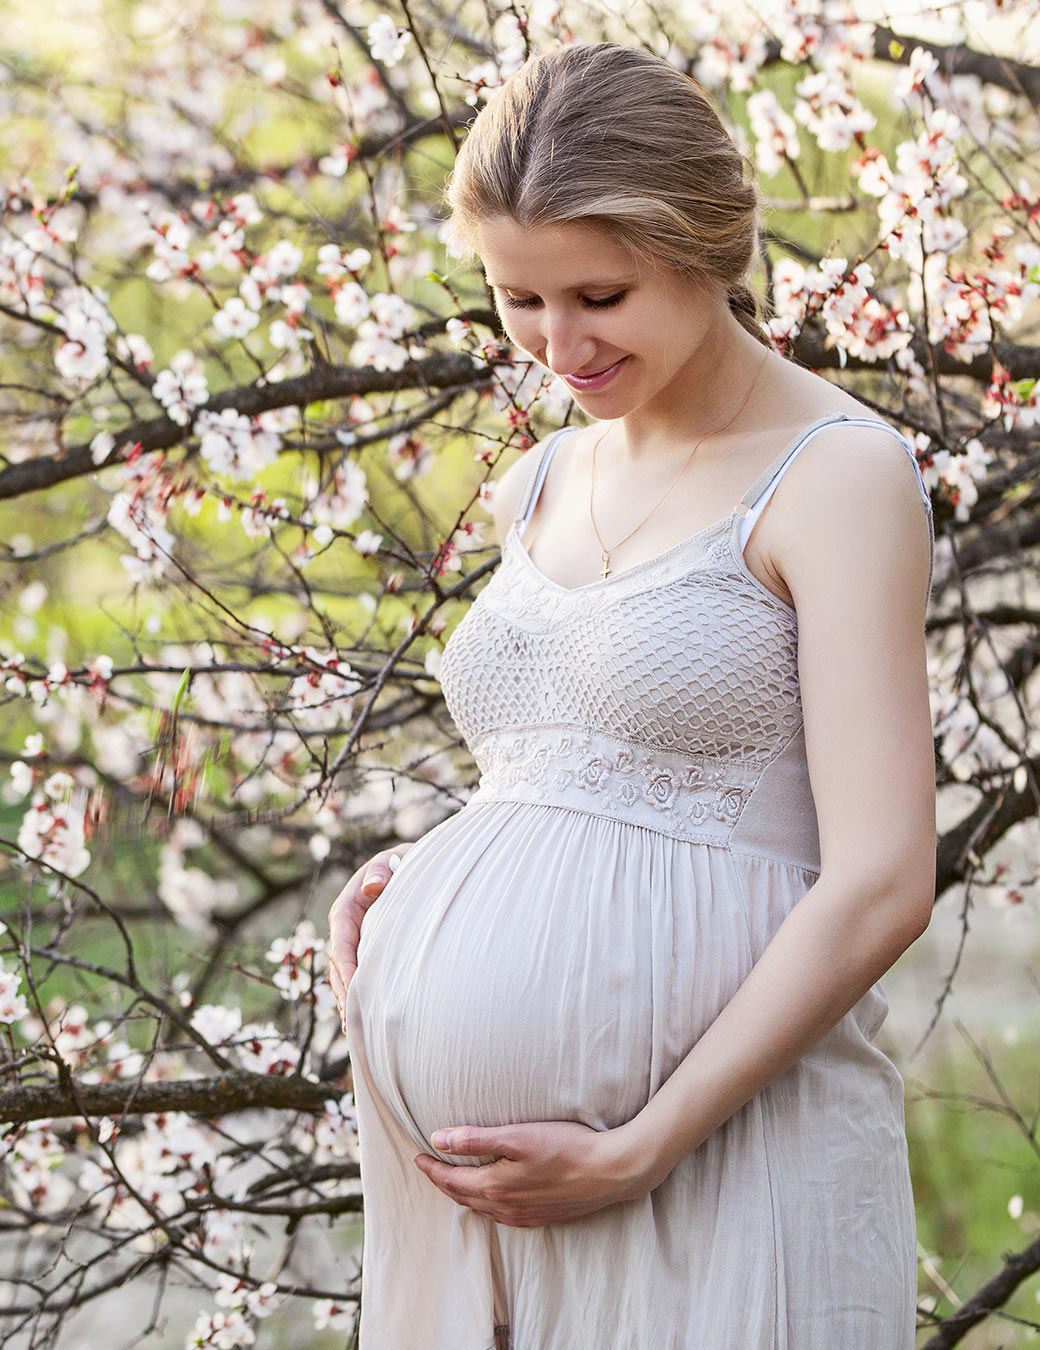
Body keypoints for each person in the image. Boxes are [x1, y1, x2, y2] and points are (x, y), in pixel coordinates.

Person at [327, 38, 936, 1350]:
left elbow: (885, 876)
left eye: (598, 294)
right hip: (484, 1208)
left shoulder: (835, 476)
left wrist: (643, 1145)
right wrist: (413, 896)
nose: (559, 345)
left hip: (724, 1165)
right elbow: (560, 771)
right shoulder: (542, 480)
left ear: (707, 248)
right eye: (518, 301)